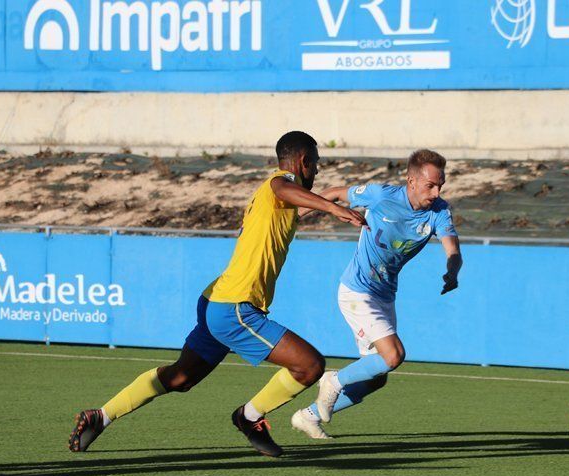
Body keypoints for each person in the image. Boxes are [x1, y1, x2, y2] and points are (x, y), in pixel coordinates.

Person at [68, 131, 366, 457]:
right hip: (233, 306)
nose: (318, 172)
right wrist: (330, 207)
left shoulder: (274, 203)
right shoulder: (278, 184)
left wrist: (337, 197)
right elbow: (285, 189)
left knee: (180, 377)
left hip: (217, 297)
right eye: (317, 164)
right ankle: (249, 417)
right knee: (309, 367)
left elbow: (296, 207)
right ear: (304, 162)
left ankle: (102, 415)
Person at [290, 149, 462, 439]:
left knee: (376, 378)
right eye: (430, 185)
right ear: (411, 180)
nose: (436, 192)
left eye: (440, 185)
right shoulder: (381, 195)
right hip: (357, 291)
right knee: (393, 356)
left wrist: (453, 270)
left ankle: (308, 416)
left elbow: (453, 249)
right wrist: (288, 222)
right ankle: (332, 381)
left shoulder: (439, 212)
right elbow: (332, 193)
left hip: (384, 295)